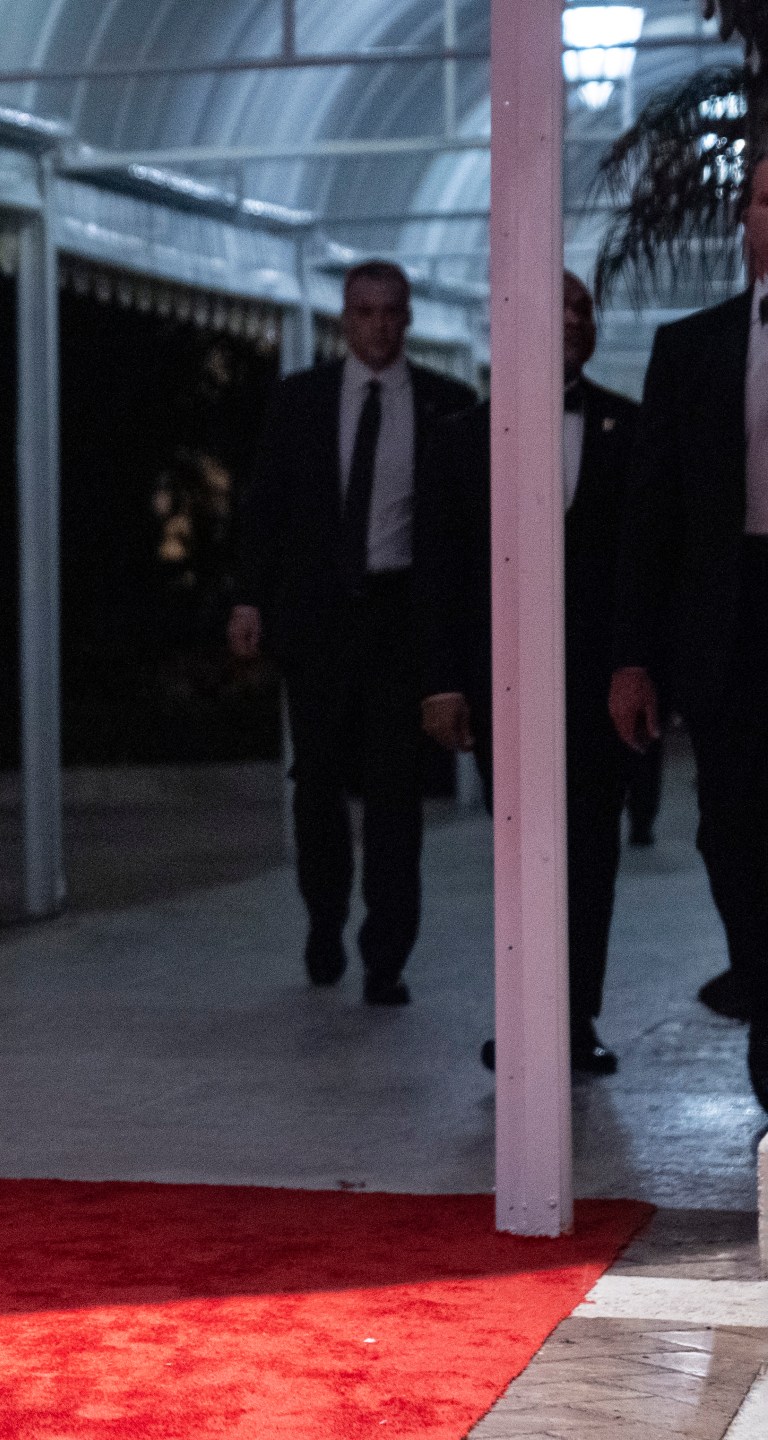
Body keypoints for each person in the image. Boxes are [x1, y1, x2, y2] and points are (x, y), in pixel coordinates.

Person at [232, 261, 478, 1005]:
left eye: (390, 312)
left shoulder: (447, 405)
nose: (377, 324)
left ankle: (386, 954)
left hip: (401, 615)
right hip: (319, 618)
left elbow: (464, 532)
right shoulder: (300, 402)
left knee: (396, 793)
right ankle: (325, 919)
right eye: (364, 311)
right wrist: (250, 600)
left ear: (407, 319)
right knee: (316, 785)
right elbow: (265, 506)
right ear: (345, 318)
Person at [416, 273, 636, 1076]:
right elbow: (438, 570)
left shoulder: (629, 427)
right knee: (518, 853)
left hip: (599, 687)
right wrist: (442, 682)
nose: (573, 320)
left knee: (592, 854)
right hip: (499, 682)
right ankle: (522, 1017)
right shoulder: (461, 437)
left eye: (583, 310)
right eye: (559, 305)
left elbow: (646, 566)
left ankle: (575, 1022)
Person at [612, 158, 768, 1108]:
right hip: (730, 615)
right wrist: (633, 654)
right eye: (765, 199)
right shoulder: (692, 348)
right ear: (745, 220)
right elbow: (650, 519)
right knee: (730, 827)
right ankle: (759, 972)